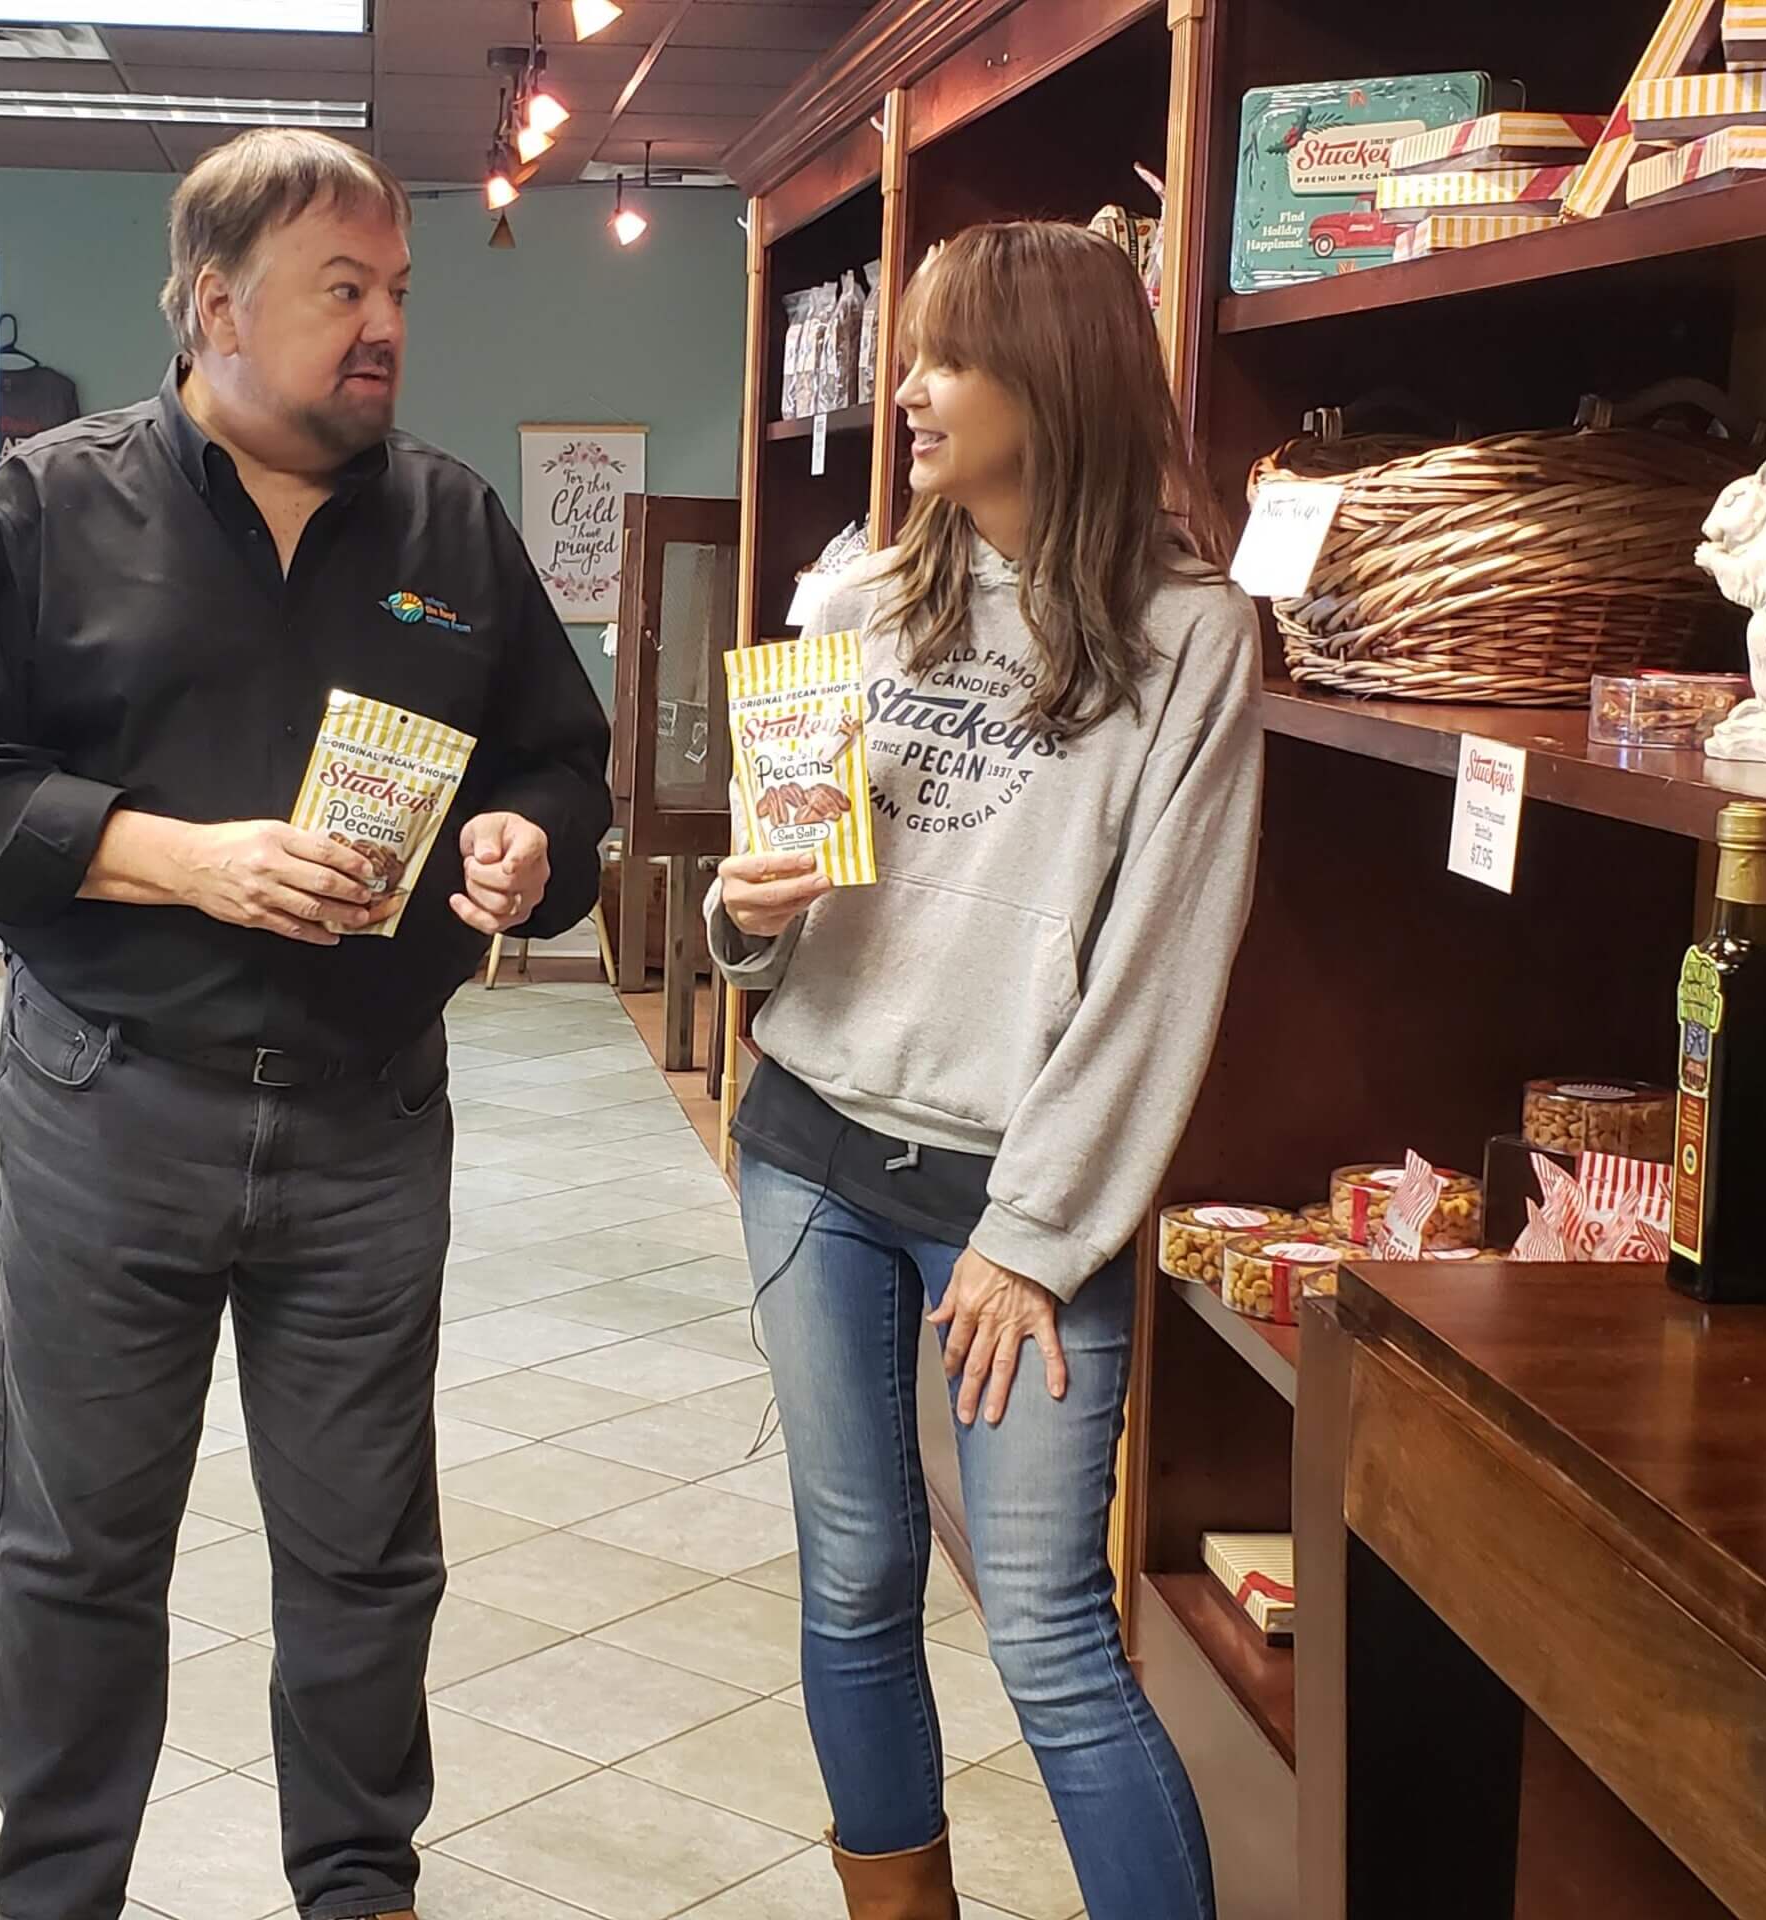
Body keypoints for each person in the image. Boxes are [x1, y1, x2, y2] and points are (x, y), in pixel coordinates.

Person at [0, 128, 611, 1920]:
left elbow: (560, 757)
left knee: (368, 1567)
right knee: (73, 1559)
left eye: (397, 294)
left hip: (371, 1122)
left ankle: (360, 1893)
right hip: (112, 1107)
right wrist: (181, 861)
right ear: (214, 306)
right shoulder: (49, 506)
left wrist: (533, 845)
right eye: (341, 292)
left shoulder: (450, 523)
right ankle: (57, 1899)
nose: (384, 328)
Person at [709, 221, 1259, 1920]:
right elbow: (779, 916)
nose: (907, 387)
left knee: (1046, 1632)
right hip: (809, 1151)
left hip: (1017, 1209)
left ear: (1060, 379)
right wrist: (742, 915)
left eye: (947, 355)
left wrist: (1033, 1230)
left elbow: (1164, 972)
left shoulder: (1193, 643)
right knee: (856, 1579)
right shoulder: (855, 600)